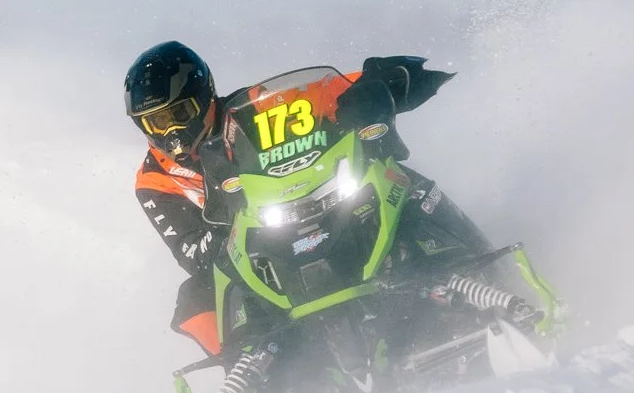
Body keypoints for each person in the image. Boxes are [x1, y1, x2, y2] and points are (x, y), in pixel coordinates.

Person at [124, 41, 454, 358]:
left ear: (205, 96)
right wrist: (227, 211)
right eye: (156, 121)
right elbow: (193, 255)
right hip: (252, 249)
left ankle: (464, 260)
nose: (171, 132)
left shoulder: (260, 106)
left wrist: (382, 82)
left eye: (180, 113)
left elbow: (331, 92)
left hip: (323, 205)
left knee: (395, 179)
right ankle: (250, 370)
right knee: (194, 298)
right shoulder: (154, 181)